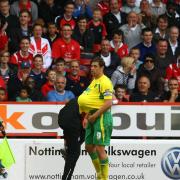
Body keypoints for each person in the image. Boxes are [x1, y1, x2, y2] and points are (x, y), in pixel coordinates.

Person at [78, 56, 113, 180]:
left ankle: (104, 178)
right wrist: (87, 117)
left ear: (102, 68)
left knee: (99, 148)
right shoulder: (94, 80)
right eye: (91, 66)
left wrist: (94, 116)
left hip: (101, 117)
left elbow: (109, 103)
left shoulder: (105, 82)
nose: (92, 69)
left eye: (95, 66)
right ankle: (99, 172)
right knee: (88, 146)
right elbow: (92, 101)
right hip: (92, 116)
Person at [58, 98, 85, 180]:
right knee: (75, 153)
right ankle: (66, 178)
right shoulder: (86, 102)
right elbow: (84, 125)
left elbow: (65, 117)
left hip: (67, 125)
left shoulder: (73, 102)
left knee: (73, 152)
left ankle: (66, 177)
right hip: (73, 126)